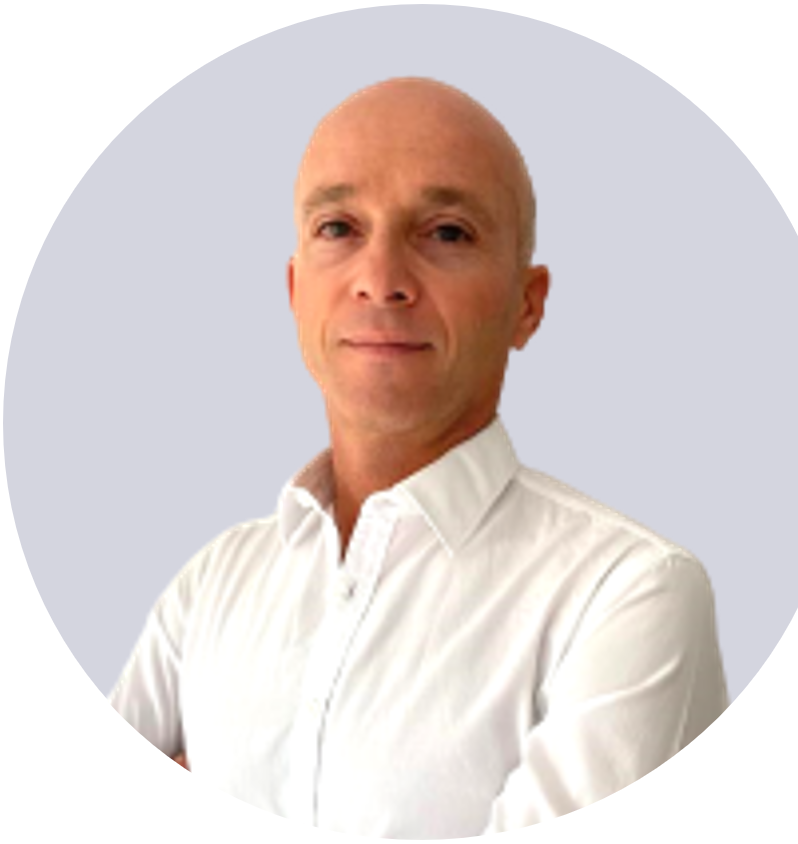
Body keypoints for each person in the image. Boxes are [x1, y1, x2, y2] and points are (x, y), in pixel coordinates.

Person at [110, 77, 727, 838]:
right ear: (295, 291)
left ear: (526, 304)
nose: (381, 281)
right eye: (339, 227)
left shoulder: (630, 596)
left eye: (447, 233)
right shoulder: (208, 588)